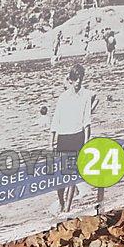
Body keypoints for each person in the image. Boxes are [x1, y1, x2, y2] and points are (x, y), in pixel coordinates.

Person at [49, 63, 95, 214]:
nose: (78, 82)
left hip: (78, 136)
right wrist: (51, 141)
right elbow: (56, 120)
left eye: (81, 79)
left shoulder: (86, 96)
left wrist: (87, 141)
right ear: (70, 80)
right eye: (76, 79)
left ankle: (67, 208)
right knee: (60, 175)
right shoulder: (63, 97)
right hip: (63, 137)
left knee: (72, 174)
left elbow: (87, 120)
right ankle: (62, 201)